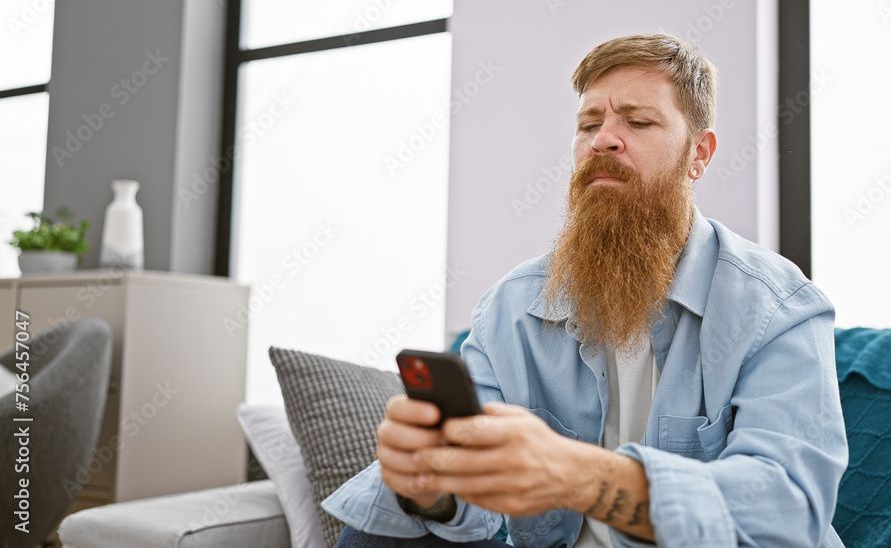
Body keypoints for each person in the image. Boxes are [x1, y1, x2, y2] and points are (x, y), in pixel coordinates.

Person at [326, 32, 849, 547]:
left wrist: (580, 476)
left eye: (639, 121)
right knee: (385, 531)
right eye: (589, 124)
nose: (603, 139)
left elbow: (788, 510)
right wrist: (430, 487)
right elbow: (469, 496)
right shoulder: (511, 308)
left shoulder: (779, 307)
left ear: (700, 154)